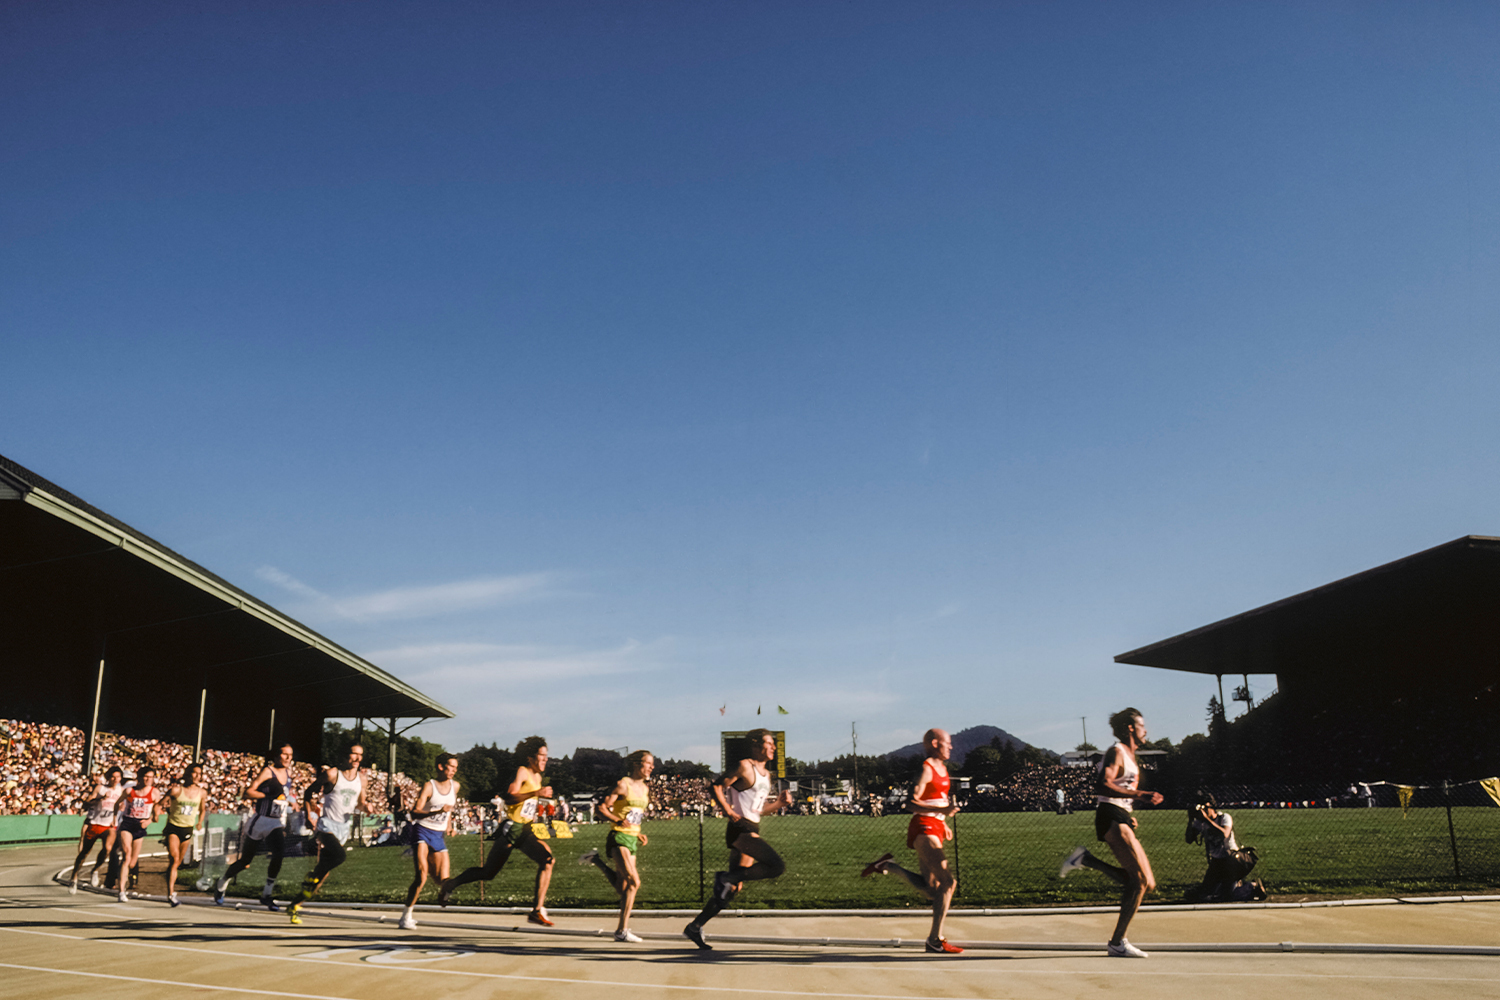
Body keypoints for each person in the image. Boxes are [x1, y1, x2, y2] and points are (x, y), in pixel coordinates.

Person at [1057, 707, 1164, 959]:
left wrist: (1129, 811)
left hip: (1120, 814)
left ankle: (1086, 859)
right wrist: (1141, 795)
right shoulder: (1117, 751)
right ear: (1130, 728)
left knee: (1147, 883)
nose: (1145, 729)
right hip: (1110, 815)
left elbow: (1118, 789)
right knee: (1137, 881)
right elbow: (1103, 785)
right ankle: (1118, 942)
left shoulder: (1130, 754)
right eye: (1141, 725)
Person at [683, 728, 795, 951]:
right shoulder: (745, 766)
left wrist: (779, 805)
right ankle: (725, 877)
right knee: (776, 866)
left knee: (733, 888)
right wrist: (728, 810)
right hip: (740, 828)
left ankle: (695, 926)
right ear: (755, 745)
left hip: (752, 825)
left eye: (774, 744)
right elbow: (716, 786)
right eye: (768, 743)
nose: (773, 747)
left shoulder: (766, 775)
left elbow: (759, 810)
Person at [859, 728, 963, 954]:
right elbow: (910, 803)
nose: (951, 747)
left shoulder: (943, 769)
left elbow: (935, 801)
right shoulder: (926, 768)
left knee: (932, 890)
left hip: (934, 825)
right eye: (948, 743)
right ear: (935, 743)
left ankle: (887, 866)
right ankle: (935, 939)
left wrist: (942, 820)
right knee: (948, 883)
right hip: (923, 828)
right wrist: (943, 810)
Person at [438, 736, 556, 925]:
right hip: (513, 828)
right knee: (494, 871)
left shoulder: (537, 777)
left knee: (543, 861)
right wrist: (536, 793)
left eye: (546, 756)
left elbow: (526, 804)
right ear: (530, 757)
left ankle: (536, 910)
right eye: (541, 756)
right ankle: (450, 884)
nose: (545, 760)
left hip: (524, 828)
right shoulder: (522, 772)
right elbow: (509, 797)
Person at [288, 743, 371, 925]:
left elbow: (360, 803)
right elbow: (310, 792)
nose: (357, 758)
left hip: (343, 828)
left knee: (321, 877)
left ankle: (295, 904)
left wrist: (367, 807)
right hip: (326, 825)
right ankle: (311, 878)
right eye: (354, 754)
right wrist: (309, 814)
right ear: (345, 755)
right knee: (340, 856)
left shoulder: (362, 779)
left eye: (360, 755)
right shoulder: (333, 774)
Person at [579, 749, 654, 943]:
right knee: (634, 882)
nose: (652, 767)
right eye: (648, 763)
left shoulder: (645, 789)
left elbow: (634, 815)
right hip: (618, 838)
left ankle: (595, 860)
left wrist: (638, 833)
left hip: (631, 838)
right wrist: (616, 819)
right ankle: (622, 930)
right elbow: (602, 808)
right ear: (637, 764)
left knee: (623, 888)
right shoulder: (623, 784)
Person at [214, 743, 298, 910]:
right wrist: (266, 795)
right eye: (285, 754)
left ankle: (267, 894)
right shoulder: (268, 771)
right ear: (276, 756)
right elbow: (248, 792)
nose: (289, 758)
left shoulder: (289, 773)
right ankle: (222, 882)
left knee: (279, 853)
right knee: (246, 861)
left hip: (275, 821)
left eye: (291, 754)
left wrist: (290, 803)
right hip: (260, 820)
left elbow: (282, 797)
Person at [397, 752, 460, 930]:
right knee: (421, 876)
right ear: (441, 767)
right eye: (451, 766)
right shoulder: (429, 786)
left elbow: (449, 810)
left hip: (438, 835)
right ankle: (406, 916)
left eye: (456, 767)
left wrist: (449, 825)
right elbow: (414, 812)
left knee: (444, 881)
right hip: (422, 831)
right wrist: (437, 812)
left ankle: (442, 895)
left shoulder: (455, 786)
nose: (454, 770)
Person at [1184, 793, 1266, 902]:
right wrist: (1191, 820)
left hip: (1231, 860)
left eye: (1204, 808)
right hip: (1217, 862)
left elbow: (1224, 834)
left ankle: (1252, 887)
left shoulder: (1224, 817)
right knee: (1205, 896)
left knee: (1226, 897)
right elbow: (1189, 839)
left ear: (1211, 806)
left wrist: (1206, 819)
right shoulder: (1201, 823)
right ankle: (1234, 886)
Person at [69, 765, 126, 893]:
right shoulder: (100, 788)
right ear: (108, 777)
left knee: (107, 849)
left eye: (118, 777)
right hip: (95, 823)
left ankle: (95, 870)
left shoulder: (121, 790)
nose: (116, 779)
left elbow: (121, 806)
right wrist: (100, 798)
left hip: (109, 825)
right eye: (113, 776)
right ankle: (74, 877)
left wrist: (120, 808)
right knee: (84, 852)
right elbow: (87, 803)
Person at [159, 762, 208, 906]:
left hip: (187, 829)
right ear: (188, 774)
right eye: (194, 773)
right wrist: (156, 813)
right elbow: (160, 803)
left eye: (199, 774)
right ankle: (170, 893)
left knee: (178, 862)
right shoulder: (176, 790)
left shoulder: (202, 792)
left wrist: (200, 822)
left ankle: (171, 890)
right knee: (174, 859)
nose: (197, 776)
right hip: (173, 828)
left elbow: (203, 809)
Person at [115, 764, 161, 902]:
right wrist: (116, 814)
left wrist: (150, 820)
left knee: (132, 862)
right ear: (139, 777)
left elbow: (156, 811)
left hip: (140, 827)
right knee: (127, 855)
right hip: (128, 824)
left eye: (151, 777)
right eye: (145, 776)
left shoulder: (154, 792)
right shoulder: (130, 791)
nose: (148, 779)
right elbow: (117, 803)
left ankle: (125, 874)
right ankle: (121, 891)